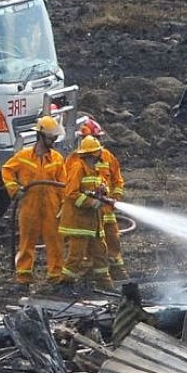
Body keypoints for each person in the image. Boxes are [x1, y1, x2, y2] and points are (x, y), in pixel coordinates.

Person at [1, 115, 67, 293]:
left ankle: (56, 278)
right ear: (40, 136)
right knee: (26, 243)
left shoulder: (57, 159)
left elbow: (63, 185)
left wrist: (64, 207)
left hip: (52, 207)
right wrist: (14, 189)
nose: (54, 140)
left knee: (55, 243)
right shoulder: (23, 157)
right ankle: (23, 279)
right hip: (29, 206)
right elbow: (7, 170)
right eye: (51, 137)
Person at [58, 135, 114, 292]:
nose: (100, 156)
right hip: (79, 223)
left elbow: (99, 186)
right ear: (90, 154)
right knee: (76, 255)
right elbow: (71, 193)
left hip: (94, 223)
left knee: (101, 253)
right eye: (97, 153)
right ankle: (65, 284)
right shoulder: (78, 167)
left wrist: (103, 191)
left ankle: (106, 284)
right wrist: (91, 202)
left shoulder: (94, 169)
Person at [80, 118, 128, 280]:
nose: (98, 143)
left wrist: (115, 197)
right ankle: (91, 271)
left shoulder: (107, 156)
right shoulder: (76, 160)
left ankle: (116, 269)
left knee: (113, 238)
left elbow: (118, 180)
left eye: (98, 139)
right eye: (95, 138)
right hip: (90, 210)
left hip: (106, 209)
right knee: (88, 242)